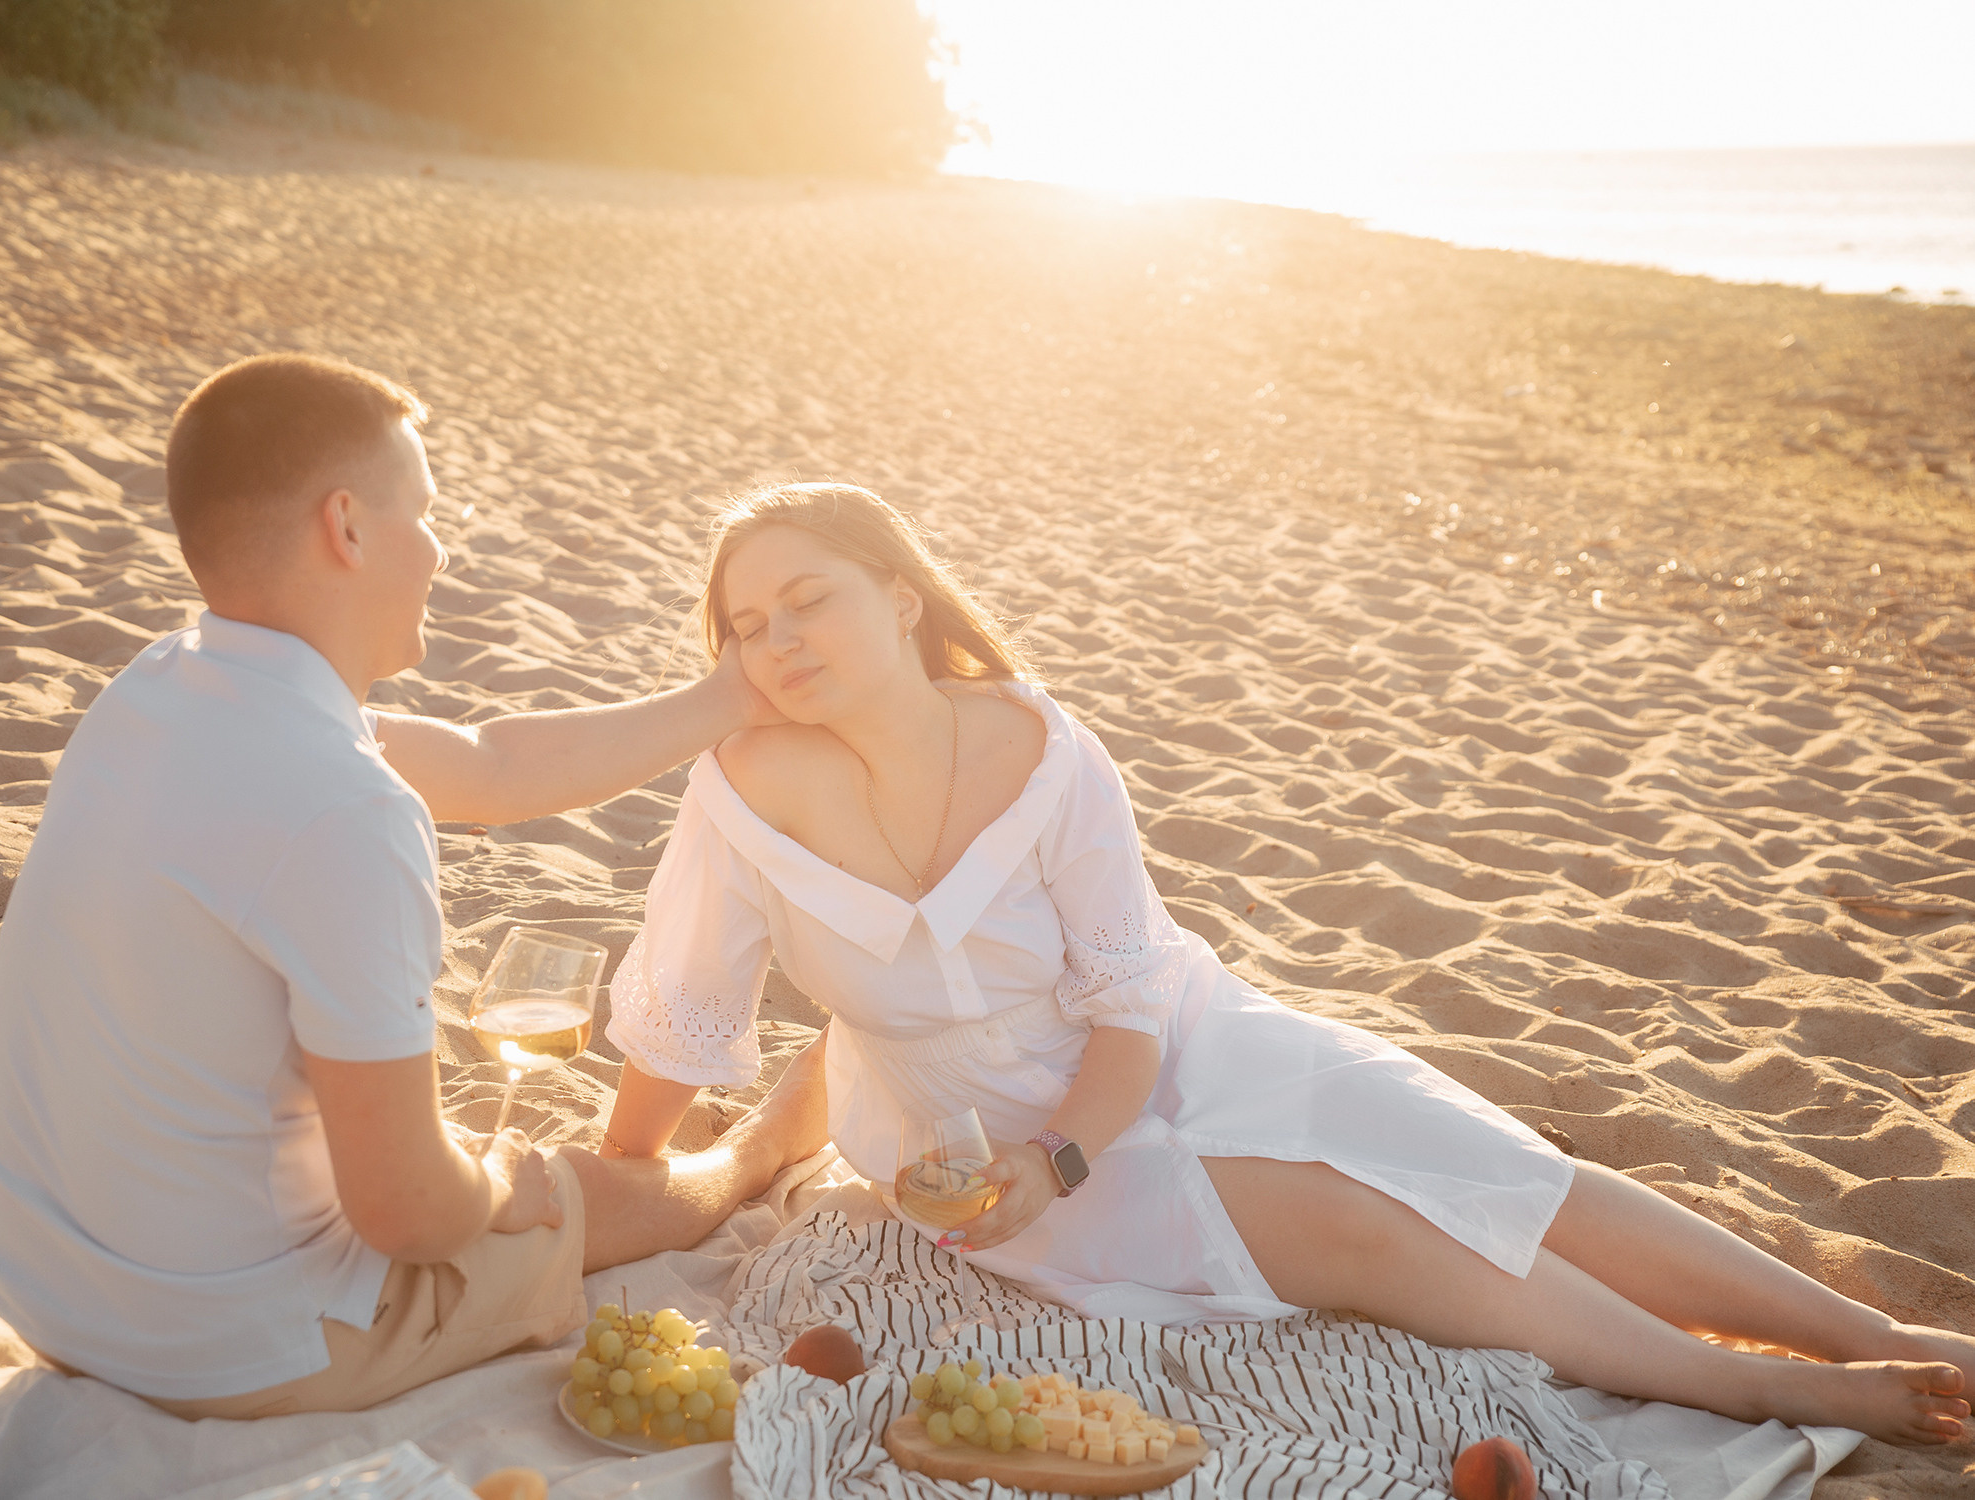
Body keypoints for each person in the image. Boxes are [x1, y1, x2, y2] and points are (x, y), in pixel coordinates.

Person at [599, 480, 1973, 1446]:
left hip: (1158, 1056)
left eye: (805, 602)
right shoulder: (743, 786)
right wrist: (619, 1172)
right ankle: (1735, 1386)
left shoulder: (1036, 744)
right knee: (1362, 1223)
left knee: (1486, 1164)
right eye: (743, 626)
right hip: (975, 1136)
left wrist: (1057, 1159)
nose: (773, 643)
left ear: (900, 598)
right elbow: (683, 1009)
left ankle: (1870, 1335)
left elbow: (1130, 1001)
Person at [0, 354, 823, 1420]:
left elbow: (490, 765)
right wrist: (517, 1183)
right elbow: (410, 1212)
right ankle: (755, 1156)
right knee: (568, 1192)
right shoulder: (347, 809)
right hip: (219, 1347)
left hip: (32, 1277)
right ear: (348, 528)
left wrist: (728, 695)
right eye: (424, 511)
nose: (441, 545)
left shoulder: (163, 685)